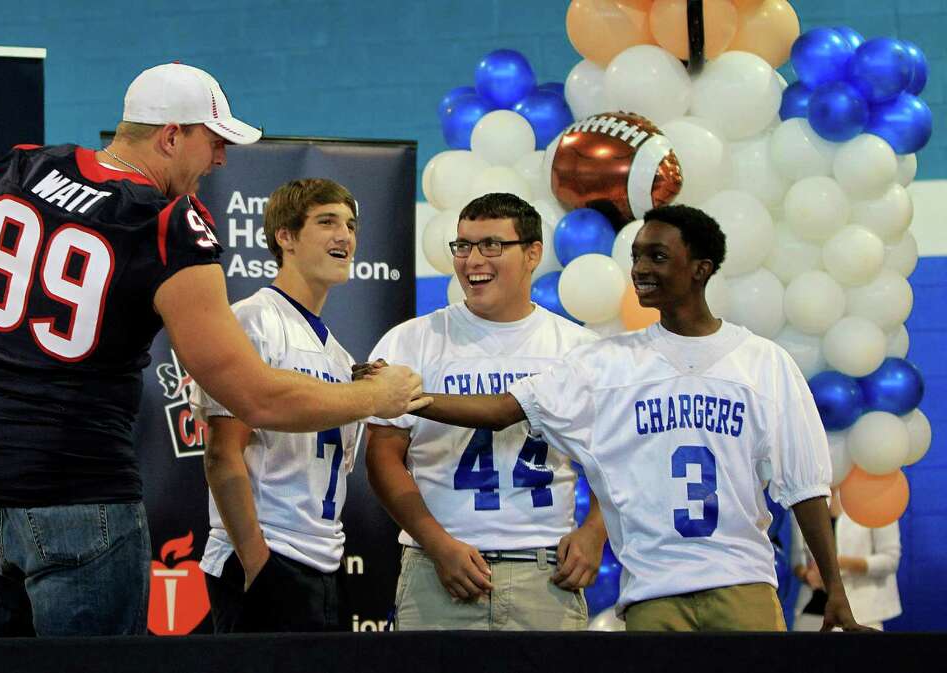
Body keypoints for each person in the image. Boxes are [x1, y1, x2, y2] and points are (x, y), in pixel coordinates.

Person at [0, 63, 426, 638]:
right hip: (83, 495)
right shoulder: (167, 223)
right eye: (213, 143)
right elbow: (254, 397)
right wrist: (371, 394)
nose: (220, 161)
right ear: (171, 135)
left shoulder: (16, 171)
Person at [406, 203, 868, 632]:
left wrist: (835, 589)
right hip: (653, 592)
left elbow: (805, 489)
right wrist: (406, 396)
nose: (641, 269)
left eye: (658, 256)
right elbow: (501, 410)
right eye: (637, 256)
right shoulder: (606, 362)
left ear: (701, 269)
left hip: (743, 582)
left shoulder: (764, 363)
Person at [365, 192, 606, 631]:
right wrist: (437, 544)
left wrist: (595, 532)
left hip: (545, 570)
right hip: (437, 568)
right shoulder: (412, 340)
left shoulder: (578, 349)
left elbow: (616, 457)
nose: (473, 259)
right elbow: (382, 457)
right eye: (463, 245)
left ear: (533, 253)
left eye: (492, 244)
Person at [194, 178, 364, 633]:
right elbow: (222, 453)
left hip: (323, 560)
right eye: (327, 222)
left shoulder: (340, 355)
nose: (344, 236)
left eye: (350, 224)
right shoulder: (254, 320)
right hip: (270, 553)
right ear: (284, 237)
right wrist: (256, 560)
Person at [793, 490, 901, 631]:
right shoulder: (805, 495)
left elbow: (890, 559)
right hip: (811, 611)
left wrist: (836, 564)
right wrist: (807, 575)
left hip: (862, 613)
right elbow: (796, 561)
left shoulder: (875, 496)